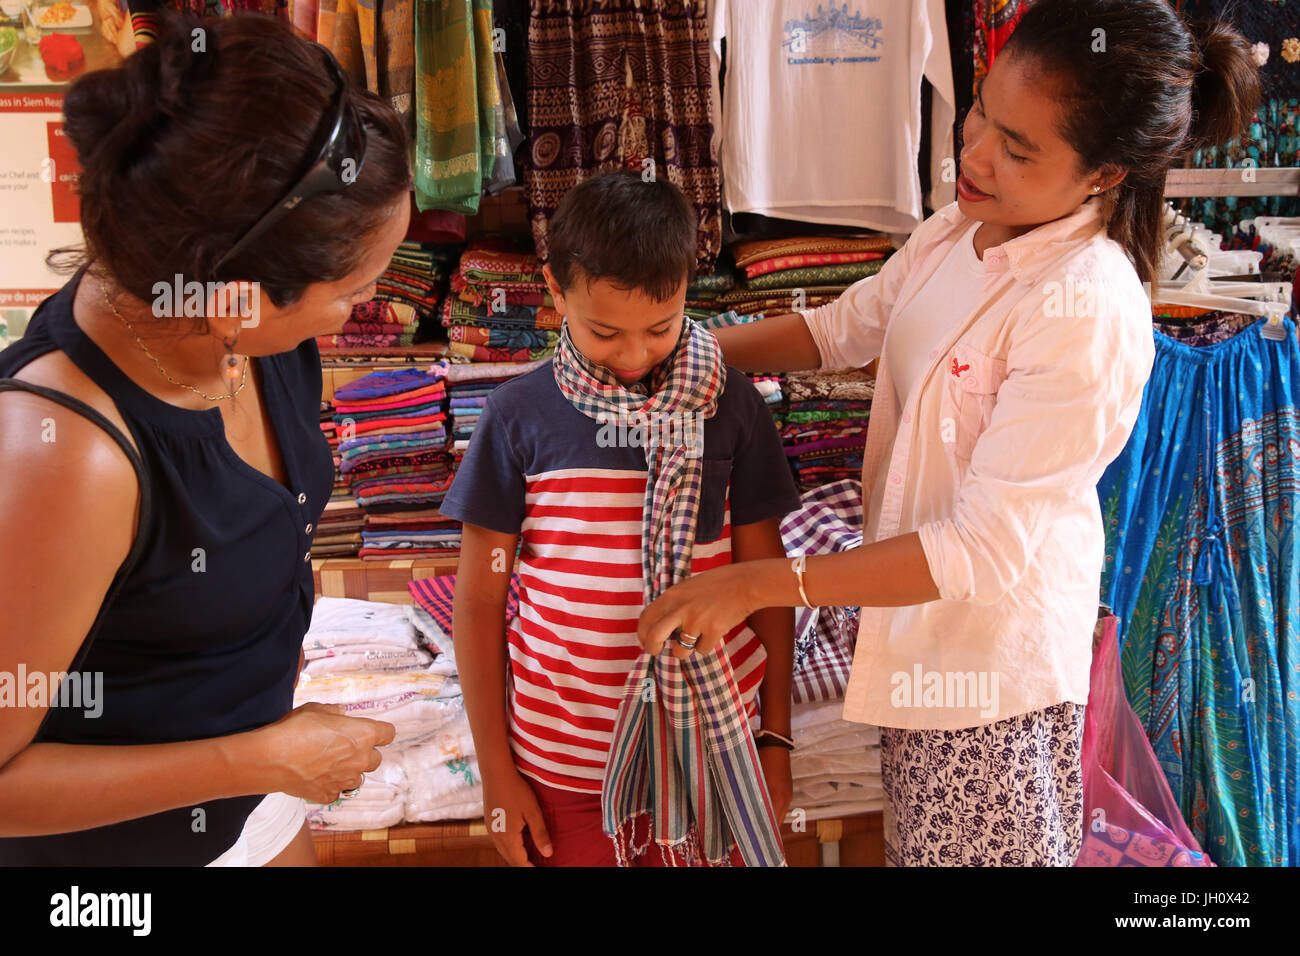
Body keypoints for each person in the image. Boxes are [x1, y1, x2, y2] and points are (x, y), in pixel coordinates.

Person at [637, 0, 1262, 866]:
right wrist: (666, 348)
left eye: (1019, 149)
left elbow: (976, 551)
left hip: (987, 689)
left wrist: (756, 586)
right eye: (981, 113)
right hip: (923, 652)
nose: (973, 156)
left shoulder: (1083, 304)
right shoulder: (960, 229)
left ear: (1103, 176)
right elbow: (843, 330)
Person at [0, 11, 411, 865]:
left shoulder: (245, 338)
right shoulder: (68, 456)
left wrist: (264, 777)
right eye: (353, 289)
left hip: (249, 804)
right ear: (246, 295)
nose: (363, 313)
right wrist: (255, 758)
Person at [441, 170, 802, 867]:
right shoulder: (517, 416)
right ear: (555, 289)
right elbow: (482, 598)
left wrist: (776, 739)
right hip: (563, 764)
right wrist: (495, 769)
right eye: (605, 332)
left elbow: (769, 586)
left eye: (661, 329)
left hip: (714, 754)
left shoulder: (732, 408)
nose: (635, 357)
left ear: (687, 294)